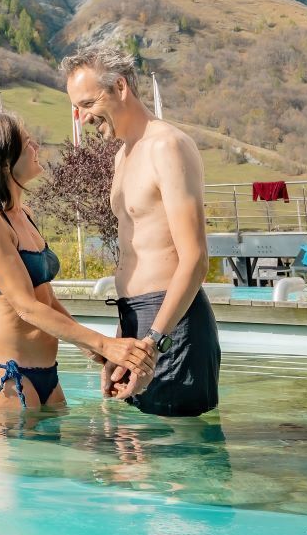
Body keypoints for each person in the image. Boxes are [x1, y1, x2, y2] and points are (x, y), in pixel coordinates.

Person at [0, 111, 153, 413]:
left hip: (48, 377)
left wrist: (90, 346)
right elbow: (25, 307)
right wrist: (104, 344)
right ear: (5, 162)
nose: (36, 147)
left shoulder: (25, 215)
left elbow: (45, 298)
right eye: (27, 143)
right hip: (4, 379)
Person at [63, 44, 221, 417]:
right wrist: (121, 344)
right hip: (137, 322)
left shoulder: (167, 146)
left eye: (87, 104)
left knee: (180, 462)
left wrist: (153, 342)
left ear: (120, 87)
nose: (82, 118)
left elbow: (195, 259)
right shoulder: (123, 155)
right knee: (138, 461)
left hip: (172, 325)